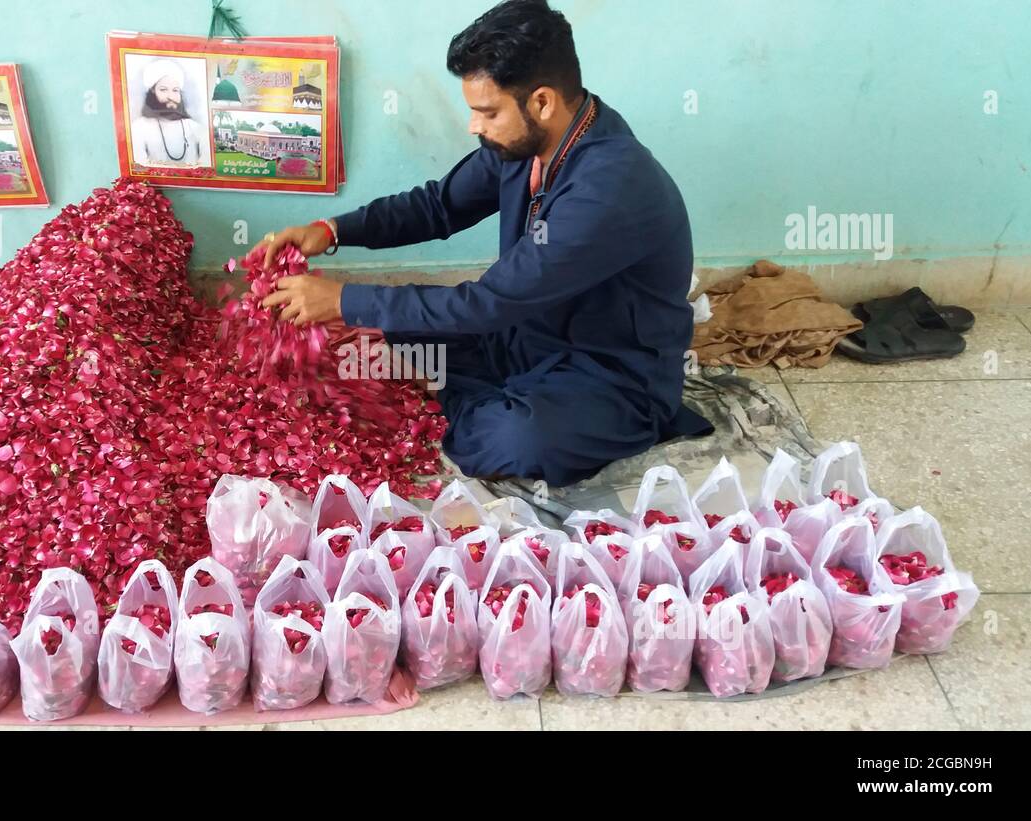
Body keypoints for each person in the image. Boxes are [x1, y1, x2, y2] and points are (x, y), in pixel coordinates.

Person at [256, 0, 711, 487]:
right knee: (386, 340)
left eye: (487, 112)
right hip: (522, 338)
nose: (475, 126)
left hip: (609, 375)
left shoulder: (611, 187)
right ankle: (487, 394)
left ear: (542, 102)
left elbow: (490, 302)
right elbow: (437, 206)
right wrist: (331, 232)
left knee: (508, 440)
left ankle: (498, 407)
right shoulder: (524, 144)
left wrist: (346, 299)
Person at [130, 59, 208, 168]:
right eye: (163, 90)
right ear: (152, 93)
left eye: (175, 90)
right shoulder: (139, 127)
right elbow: (139, 167)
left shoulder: (196, 128)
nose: (171, 96)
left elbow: (207, 167)